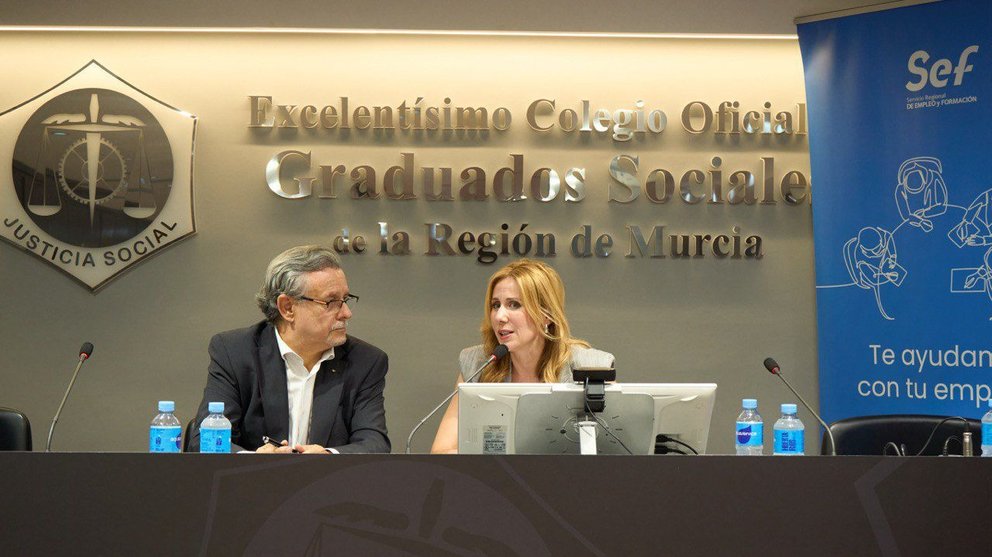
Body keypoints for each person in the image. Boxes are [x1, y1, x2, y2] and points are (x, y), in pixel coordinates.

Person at [189, 245, 390, 454]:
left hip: (329, 484)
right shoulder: (234, 352)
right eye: (331, 302)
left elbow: (374, 443)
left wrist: (329, 457)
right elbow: (205, 440)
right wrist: (251, 460)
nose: (346, 313)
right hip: (250, 483)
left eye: (345, 300)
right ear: (287, 307)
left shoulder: (366, 361)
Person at [430, 259, 614, 454]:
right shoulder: (477, 364)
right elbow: (442, 450)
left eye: (514, 305)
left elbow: (616, 453)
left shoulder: (591, 367)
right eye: (495, 305)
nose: (500, 316)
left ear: (546, 315)